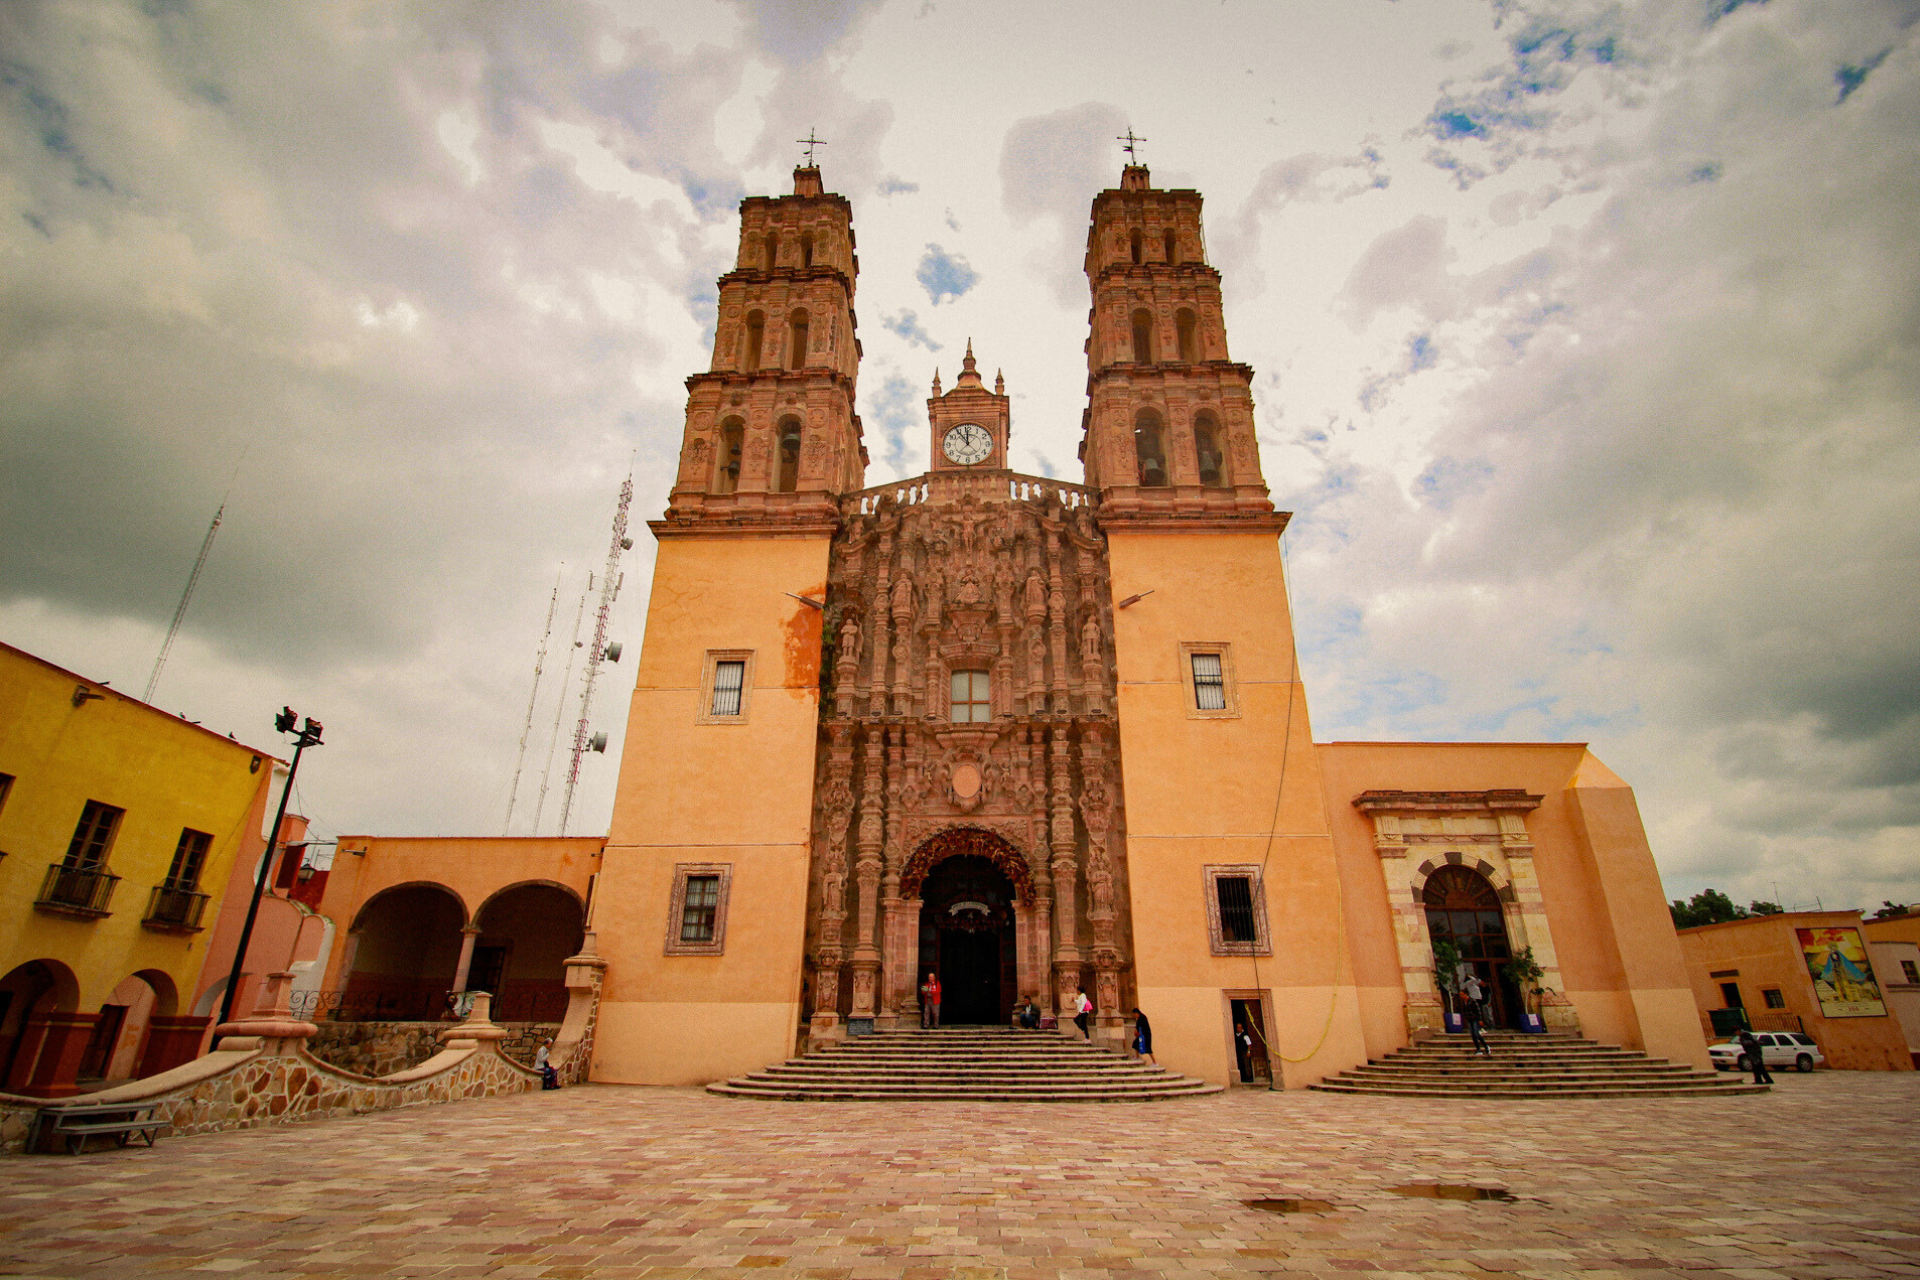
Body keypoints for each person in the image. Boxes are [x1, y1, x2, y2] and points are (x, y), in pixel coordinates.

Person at [1461, 973, 1490, 1056]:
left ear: (1465, 994)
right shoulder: (1468, 984)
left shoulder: (1471, 1000)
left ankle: (1485, 1046)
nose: (1461, 996)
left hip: (1475, 1018)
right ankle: (1479, 1049)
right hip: (1471, 1019)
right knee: (1473, 1035)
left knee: (1476, 1034)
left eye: (1462, 995)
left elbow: (1477, 1011)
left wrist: (1479, 1019)